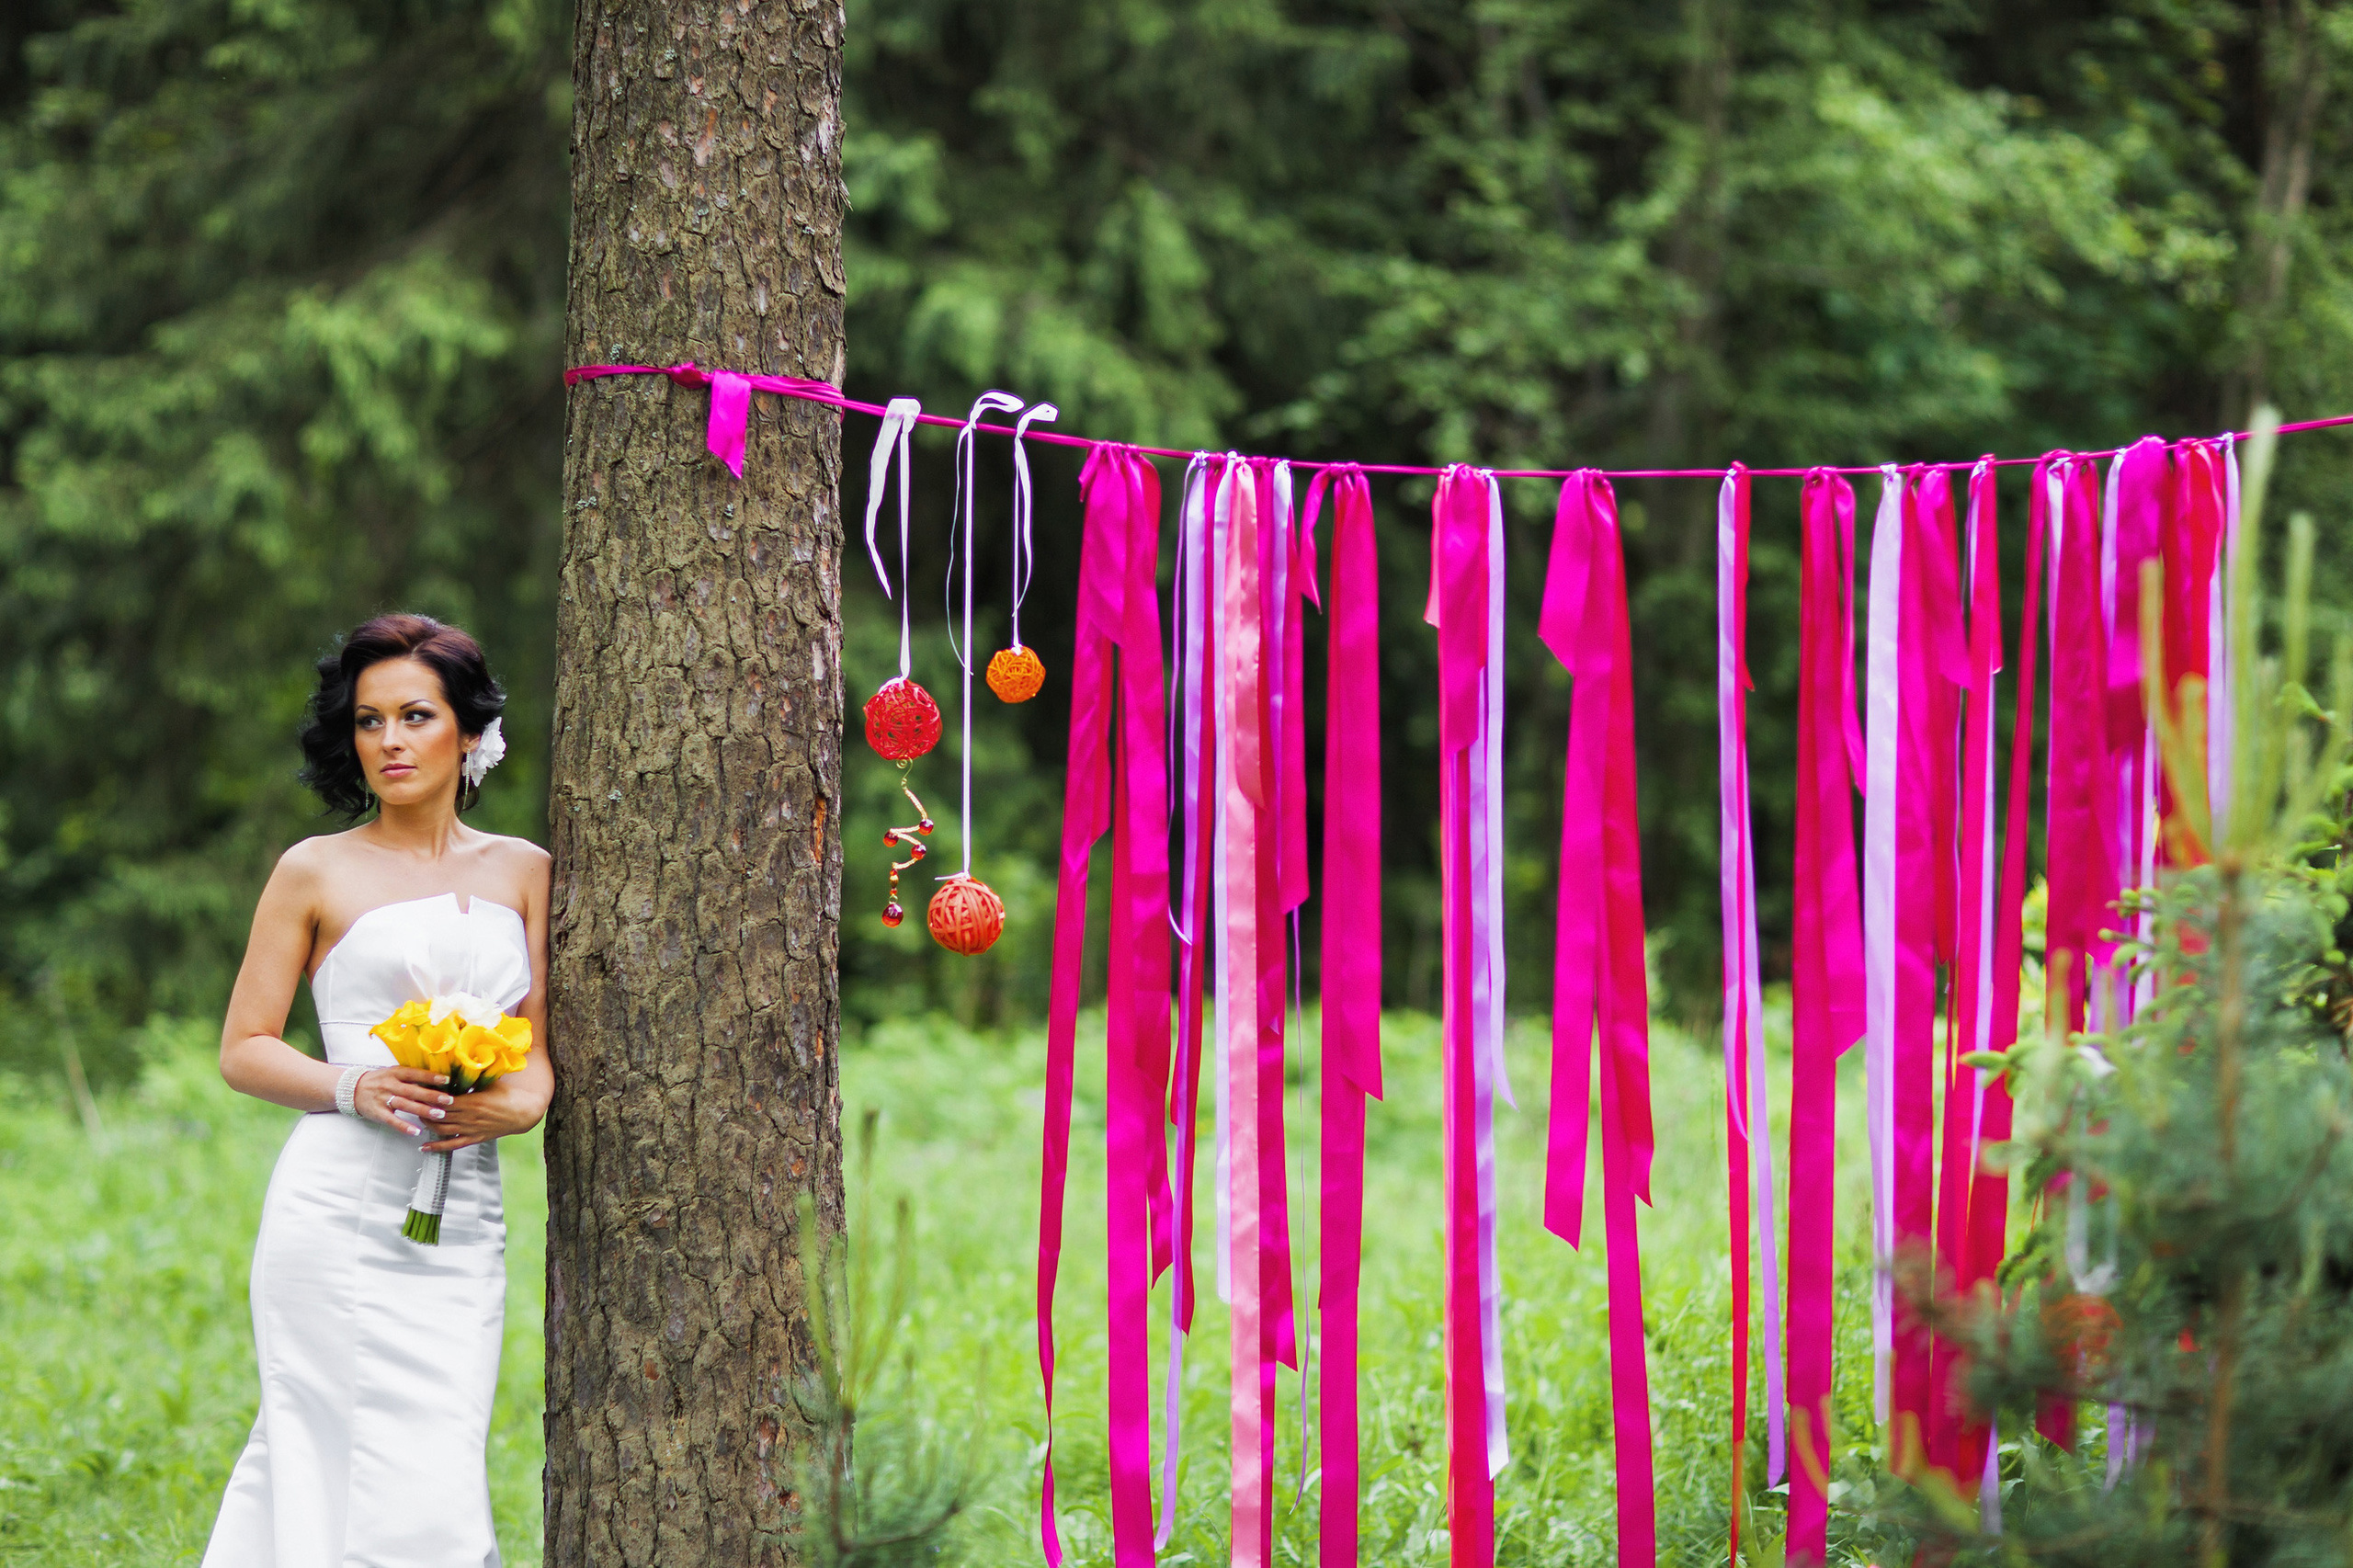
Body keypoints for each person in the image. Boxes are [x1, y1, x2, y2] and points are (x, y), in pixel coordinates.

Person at [202, 613, 551, 1568]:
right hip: (335, 1207)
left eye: (415, 716)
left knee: (438, 1458)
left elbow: (539, 1049)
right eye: (369, 720)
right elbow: (244, 1049)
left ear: (470, 731)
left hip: (462, 1210)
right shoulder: (313, 868)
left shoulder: (528, 870)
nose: (390, 740)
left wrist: (523, 1103)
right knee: (316, 1444)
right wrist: (358, 1084)